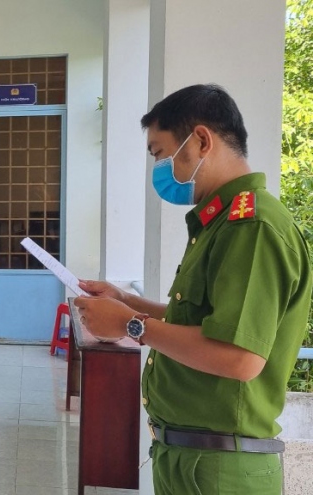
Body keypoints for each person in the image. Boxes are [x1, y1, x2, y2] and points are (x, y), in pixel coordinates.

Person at [73, 84, 312, 494]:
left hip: (220, 469)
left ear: (201, 140)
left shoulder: (251, 226)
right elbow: (201, 322)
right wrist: (125, 300)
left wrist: (131, 325)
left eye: (160, 153)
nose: (159, 168)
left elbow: (240, 358)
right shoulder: (220, 223)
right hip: (192, 457)